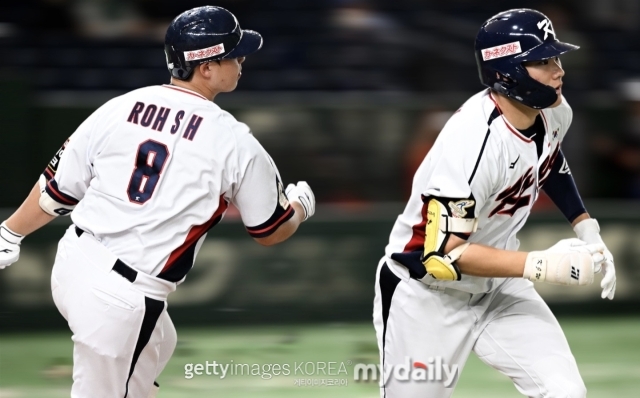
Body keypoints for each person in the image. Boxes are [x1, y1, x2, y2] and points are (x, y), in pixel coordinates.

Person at [0, 6, 315, 398]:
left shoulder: (121, 106)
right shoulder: (234, 141)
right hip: (124, 297)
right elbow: (269, 230)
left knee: (158, 345)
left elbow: (56, 190)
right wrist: (301, 206)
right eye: (233, 54)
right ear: (205, 67)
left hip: (75, 262)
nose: (241, 60)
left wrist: (10, 230)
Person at [373, 8, 616, 398]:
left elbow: (548, 160)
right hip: (426, 293)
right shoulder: (471, 144)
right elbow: (443, 254)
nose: (559, 71)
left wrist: (586, 227)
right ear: (507, 70)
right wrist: (541, 264)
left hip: (499, 286)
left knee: (566, 392)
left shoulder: (554, 111)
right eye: (542, 61)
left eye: (555, 58)